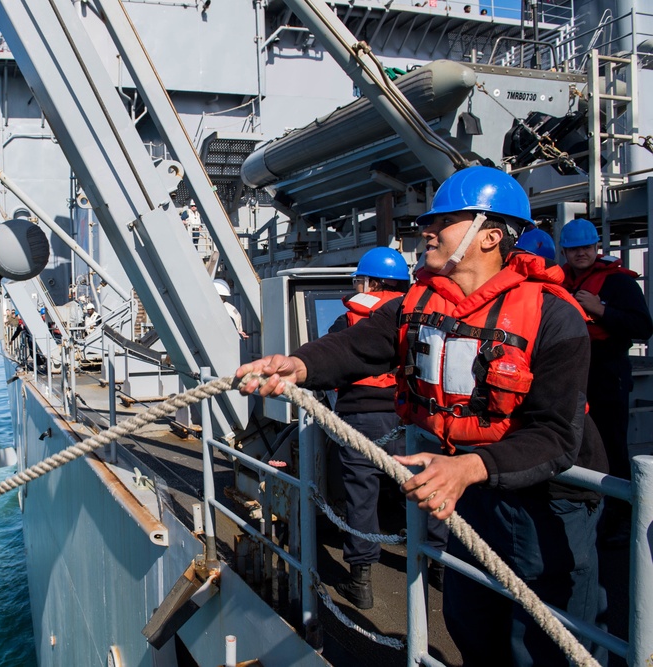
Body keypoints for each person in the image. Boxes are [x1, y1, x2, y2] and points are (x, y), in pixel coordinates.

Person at [237, 166, 607, 666]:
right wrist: (297, 364)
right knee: (471, 619)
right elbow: (356, 347)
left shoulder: (553, 317)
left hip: (544, 502)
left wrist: (469, 468)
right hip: (466, 485)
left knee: (540, 640)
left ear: (491, 236)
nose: (426, 230)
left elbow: (557, 435)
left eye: (444, 221)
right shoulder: (421, 302)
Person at [328, 246, 445, 609]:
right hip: (409, 415)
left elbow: (333, 366)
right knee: (428, 486)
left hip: (360, 418)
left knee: (362, 495)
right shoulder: (415, 314)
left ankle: (361, 582)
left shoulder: (347, 320)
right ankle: (441, 566)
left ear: (371, 282)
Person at [560, 218, 653, 545]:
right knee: (576, 444)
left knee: (611, 446)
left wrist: (601, 310)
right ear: (565, 251)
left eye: (586, 247)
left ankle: (621, 519)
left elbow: (643, 327)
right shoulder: (561, 281)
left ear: (597, 248)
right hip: (573, 375)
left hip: (607, 375)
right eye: (574, 249)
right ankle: (586, 508)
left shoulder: (618, 284)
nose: (580, 254)